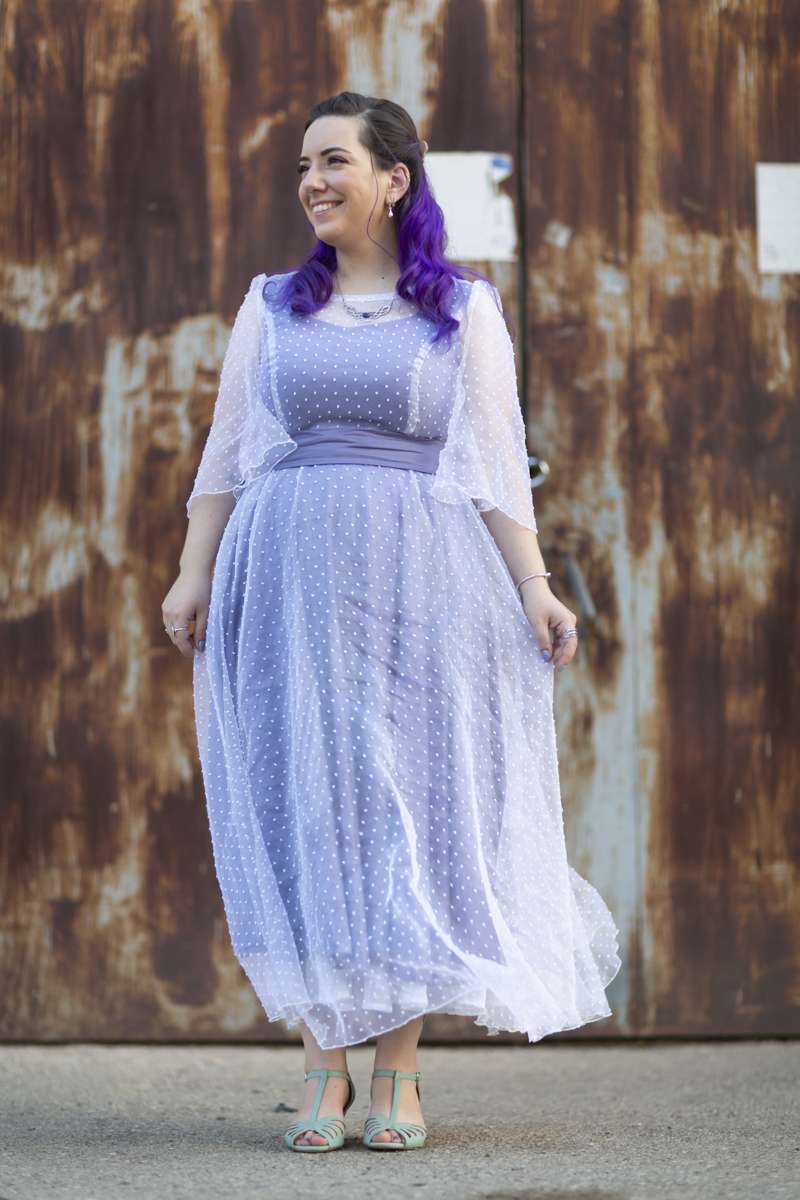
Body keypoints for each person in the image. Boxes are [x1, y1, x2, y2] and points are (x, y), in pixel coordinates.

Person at [161, 91, 621, 1153]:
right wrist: (192, 573)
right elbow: (227, 454)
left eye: (333, 161)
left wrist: (534, 584)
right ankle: (322, 1065)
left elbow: (494, 466)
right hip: (287, 582)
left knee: (405, 809)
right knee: (307, 805)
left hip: (420, 586)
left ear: (393, 179)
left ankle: (398, 1071)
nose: (312, 182)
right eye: (302, 167)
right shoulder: (271, 306)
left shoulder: (460, 309)